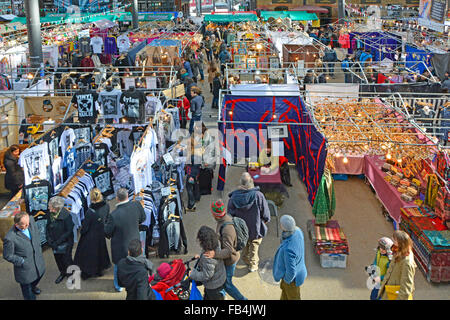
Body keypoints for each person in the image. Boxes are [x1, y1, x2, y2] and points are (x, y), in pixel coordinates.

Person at [204, 200, 247, 300]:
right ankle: (222, 294)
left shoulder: (227, 229)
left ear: (215, 214)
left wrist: (214, 254)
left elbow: (228, 251)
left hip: (230, 260)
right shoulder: (223, 219)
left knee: (227, 283)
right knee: (223, 281)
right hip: (226, 257)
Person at [104, 188, 146, 292]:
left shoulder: (113, 215)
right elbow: (143, 218)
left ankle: (119, 286)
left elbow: (107, 232)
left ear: (117, 198)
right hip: (135, 242)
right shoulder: (136, 205)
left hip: (120, 247)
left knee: (119, 266)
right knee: (136, 263)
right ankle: (136, 281)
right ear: (128, 196)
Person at [227, 172, 270, 272]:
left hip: (241, 229)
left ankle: (245, 257)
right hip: (256, 227)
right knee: (254, 247)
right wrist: (266, 220)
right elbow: (265, 212)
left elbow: (230, 213)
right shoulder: (258, 195)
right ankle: (253, 265)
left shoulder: (234, 197)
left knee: (244, 243)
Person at [3, 212, 46, 300]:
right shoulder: (10, 238)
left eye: (28, 223)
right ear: (16, 224)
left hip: (37, 261)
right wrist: (22, 261)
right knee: (28, 292)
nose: (28, 225)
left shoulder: (30, 220)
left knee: (39, 275)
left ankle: (33, 287)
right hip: (25, 269)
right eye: (25, 225)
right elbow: (7, 255)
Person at [74, 188, 111, 280]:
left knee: (88, 255)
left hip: (90, 235)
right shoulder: (106, 206)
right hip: (100, 233)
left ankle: (88, 272)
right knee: (100, 252)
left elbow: (85, 227)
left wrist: (82, 233)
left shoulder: (90, 211)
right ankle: (99, 270)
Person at [273, 215, 307, 300]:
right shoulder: (298, 231)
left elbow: (291, 272)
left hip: (292, 281)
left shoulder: (288, 249)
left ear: (283, 227)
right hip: (300, 270)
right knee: (285, 295)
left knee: (293, 297)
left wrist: (286, 281)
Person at [189, 226, 227, 300]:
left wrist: (193, 274)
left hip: (213, 286)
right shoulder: (216, 244)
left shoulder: (207, 257)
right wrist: (200, 257)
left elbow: (206, 275)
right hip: (219, 279)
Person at [378, 230, 416, 300]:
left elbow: (406, 288)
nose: (393, 242)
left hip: (394, 295)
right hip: (389, 291)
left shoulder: (407, 263)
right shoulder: (398, 250)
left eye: (395, 241)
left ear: (401, 243)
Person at [46, 196, 75, 284]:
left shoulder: (66, 215)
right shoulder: (50, 214)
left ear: (56, 208)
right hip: (54, 243)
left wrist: (58, 242)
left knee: (67, 260)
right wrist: (49, 239)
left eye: (50, 207)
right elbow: (47, 227)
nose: (48, 208)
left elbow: (69, 231)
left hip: (65, 243)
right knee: (58, 259)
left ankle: (71, 275)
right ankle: (62, 273)